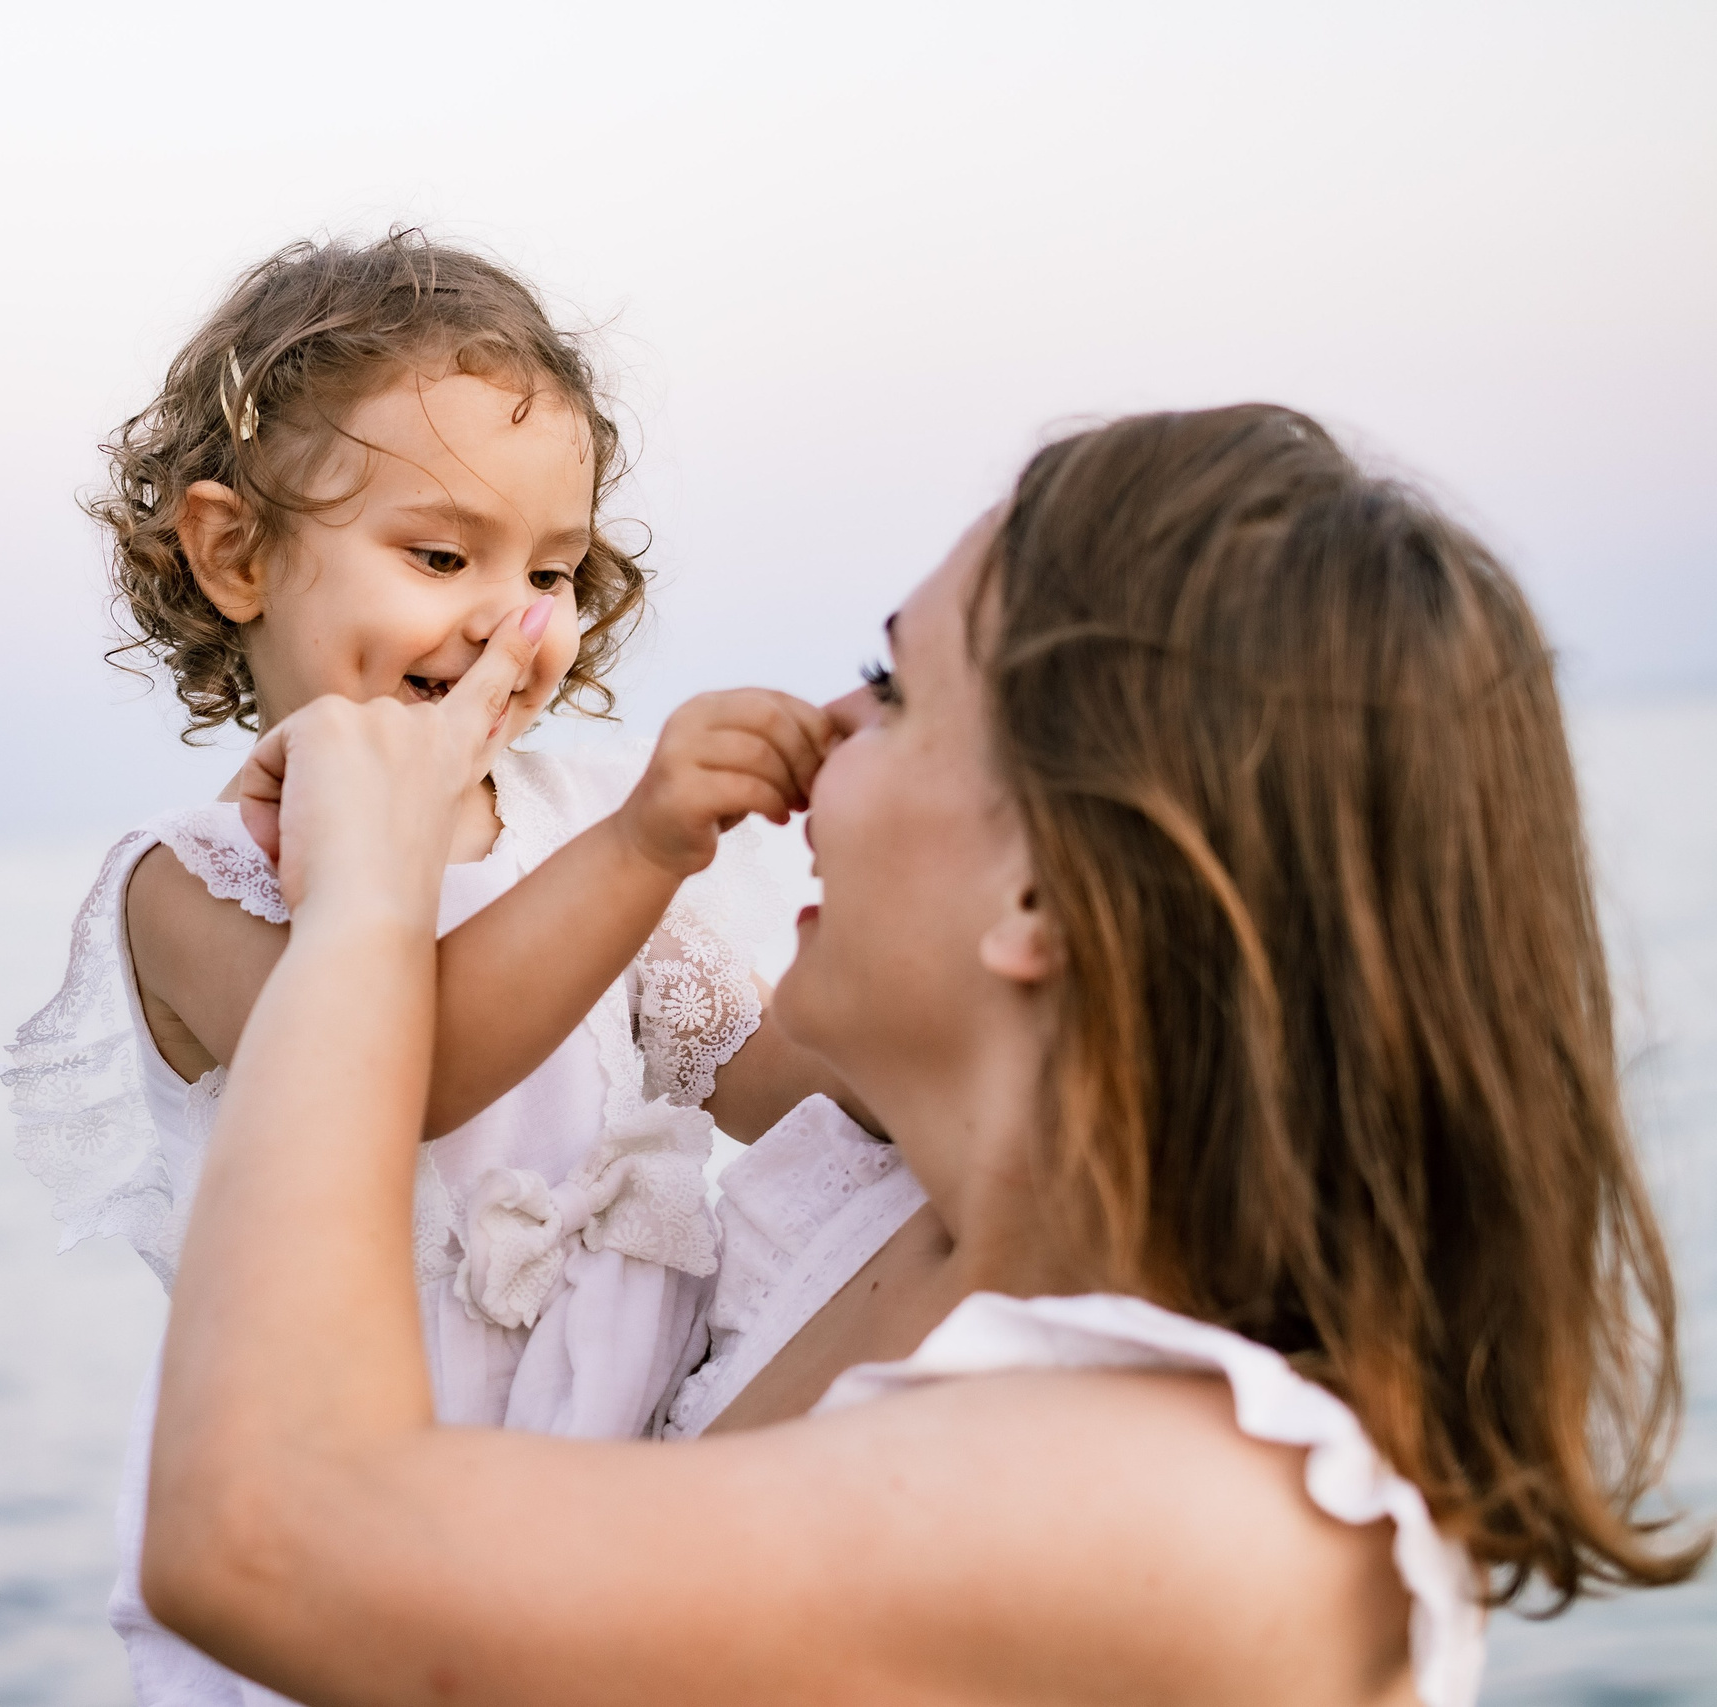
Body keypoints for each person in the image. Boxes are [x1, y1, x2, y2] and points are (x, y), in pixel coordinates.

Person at [139, 405, 1703, 1704]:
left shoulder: (1201, 1519)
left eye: (894, 686)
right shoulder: (862, 1198)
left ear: (1044, 886)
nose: (825, 723)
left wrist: (365, 904)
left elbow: (265, 1538)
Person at [0, 232, 853, 1703]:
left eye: (554, 569)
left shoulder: (577, 823)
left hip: (607, 1473)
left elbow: (762, 1074)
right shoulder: (195, 881)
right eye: (441, 556)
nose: (508, 619)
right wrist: (650, 846)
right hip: (349, 1494)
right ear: (236, 553)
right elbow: (397, 1078)